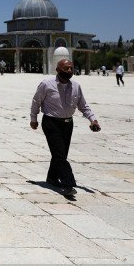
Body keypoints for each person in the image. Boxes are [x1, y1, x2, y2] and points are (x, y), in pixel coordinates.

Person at [30, 59, 100, 197]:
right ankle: (68, 184)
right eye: (66, 68)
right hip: (51, 122)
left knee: (61, 154)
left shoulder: (76, 86)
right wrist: (34, 119)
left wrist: (93, 119)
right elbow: (36, 101)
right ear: (58, 70)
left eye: (71, 68)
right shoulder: (46, 84)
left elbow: (83, 105)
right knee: (59, 154)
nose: (69, 71)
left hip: (68, 123)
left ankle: (52, 178)